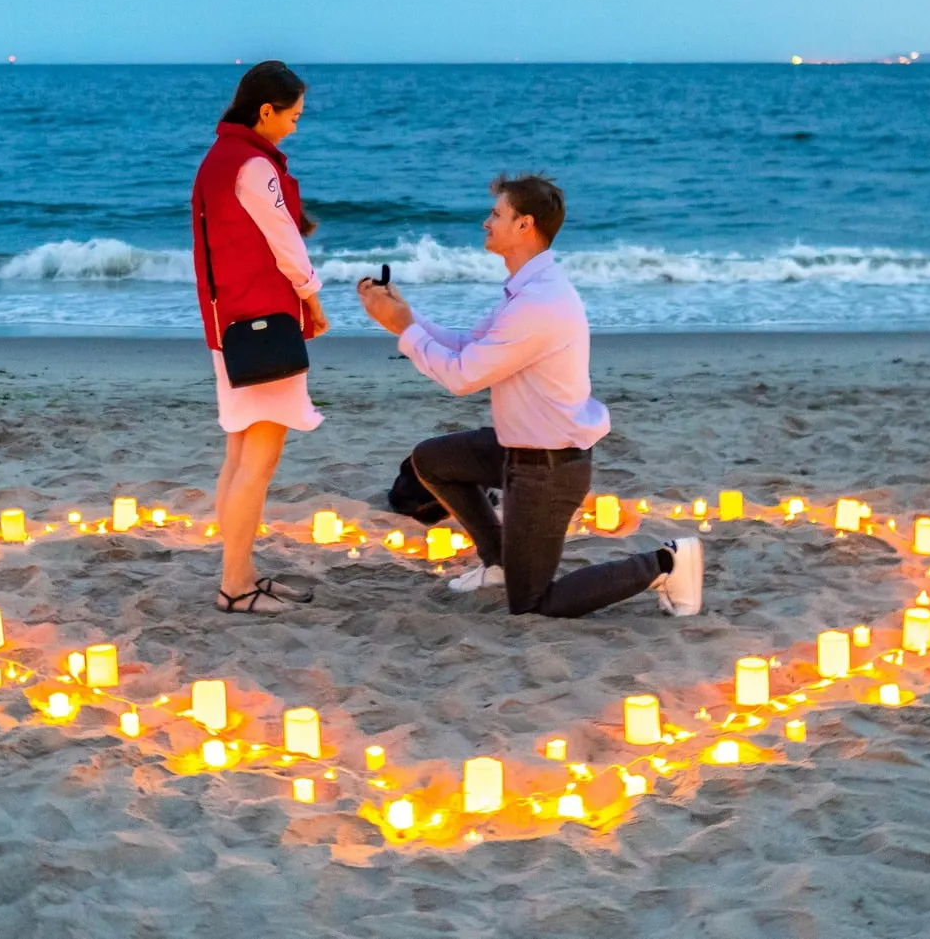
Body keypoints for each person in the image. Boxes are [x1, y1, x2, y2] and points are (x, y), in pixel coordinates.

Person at [355, 174, 703, 618]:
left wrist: (404, 328)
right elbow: (467, 343)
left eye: (496, 214)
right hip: (516, 449)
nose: (485, 222)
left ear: (525, 225)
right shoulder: (525, 292)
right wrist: (403, 317)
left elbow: (464, 376)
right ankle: (499, 561)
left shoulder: (540, 302)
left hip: (548, 468)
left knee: (534, 602)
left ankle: (667, 562)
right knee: (432, 460)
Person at [192, 61, 329, 615]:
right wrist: (314, 303)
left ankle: (240, 572)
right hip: (266, 325)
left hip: (228, 327)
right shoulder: (254, 166)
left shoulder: (216, 160)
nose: (296, 126)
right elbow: (287, 244)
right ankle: (235, 585)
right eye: (292, 116)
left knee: (238, 454)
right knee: (258, 461)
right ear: (266, 111)